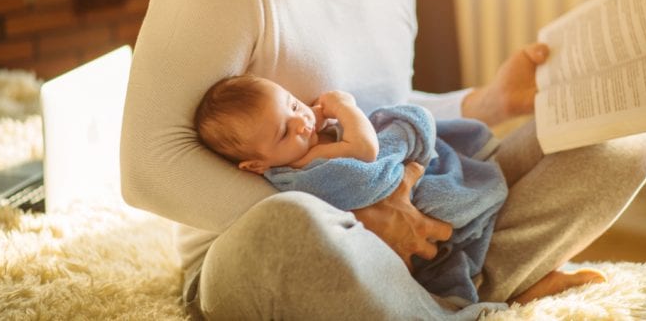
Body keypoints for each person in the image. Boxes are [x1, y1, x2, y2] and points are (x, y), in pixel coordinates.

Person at [119, 0, 646, 319]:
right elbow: (148, 167)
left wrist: (490, 103)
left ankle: (453, 295)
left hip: (417, 225)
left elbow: (389, 112)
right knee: (289, 227)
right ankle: (474, 299)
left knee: (626, 139)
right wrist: (355, 217)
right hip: (268, 254)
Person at [194, 74, 509, 308]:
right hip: (412, 222)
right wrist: (346, 108)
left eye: (292, 105)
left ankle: (496, 282)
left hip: (412, 219)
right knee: (460, 210)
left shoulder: (303, 145)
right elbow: (367, 154)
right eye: (283, 132)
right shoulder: (302, 172)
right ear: (255, 165)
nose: (301, 122)